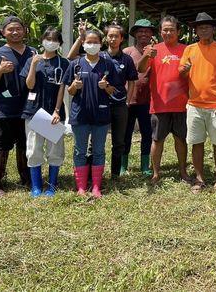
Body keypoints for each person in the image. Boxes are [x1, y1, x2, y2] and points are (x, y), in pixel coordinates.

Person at [68, 22, 138, 179]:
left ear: (122, 39)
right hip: (99, 104)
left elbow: (132, 80)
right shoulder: (100, 56)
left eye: (116, 36)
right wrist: (81, 37)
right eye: (110, 36)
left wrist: (129, 100)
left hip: (119, 103)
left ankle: (115, 173)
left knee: (119, 140)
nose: (113, 39)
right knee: (95, 142)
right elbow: (71, 57)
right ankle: (92, 173)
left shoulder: (126, 59)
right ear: (106, 39)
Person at [179, 12, 216, 193]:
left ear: (213, 29)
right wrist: (184, 70)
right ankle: (199, 179)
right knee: (197, 142)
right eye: (200, 27)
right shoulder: (189, 49)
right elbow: (181, 71)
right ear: (195, 30)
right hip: (194, 104)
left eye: (207, 26)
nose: (203, 29)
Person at [63, 29, 120, 197]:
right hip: (80, 114)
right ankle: (81, 186)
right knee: (79, 150)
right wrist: (74, 86)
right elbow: (70, 91)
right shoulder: (76, 64)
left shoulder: (107, 64)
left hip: (101, 114)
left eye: (95, 42)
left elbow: (114, 90)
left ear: (101, 44)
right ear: (83, 43)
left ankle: (96, 186)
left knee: (99, 150)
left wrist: (106, 87)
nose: (92, 45)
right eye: (89, 42)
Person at [0, 16, 35, 196]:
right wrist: (0, 70)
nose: (15, 32)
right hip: (5, 108)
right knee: (1, 145)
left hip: (28, 108)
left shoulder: (33, 53)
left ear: (24, 30)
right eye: (10, 29)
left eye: (18, 28)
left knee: (25, 143)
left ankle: (27, 178)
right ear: (3, 32)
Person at [137, 16, 190, 184]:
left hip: (182, 104)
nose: (168, 32)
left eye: (171, 30)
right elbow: (140, 68)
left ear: (178, 32)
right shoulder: (154, 49)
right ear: (160, 32)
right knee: (157, 139)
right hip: (160, 103)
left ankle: (183, 172)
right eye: (165, 30)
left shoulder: (187, 49)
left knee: (180, 139)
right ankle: (156, 173)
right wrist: (146, 56)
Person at [20, 27, 69, 197]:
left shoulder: (63, 63)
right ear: (42, 40)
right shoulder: (32, 60)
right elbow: (29, 85)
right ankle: (36, 186)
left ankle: (52, 185)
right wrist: (33, 65)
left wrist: (57, 111)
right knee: (34, 149)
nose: (51, 42)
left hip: (54, 113)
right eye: (48, 38)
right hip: (34, 112)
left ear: (59, 44)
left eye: (55, 40)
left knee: (55, 150)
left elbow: (62, 88)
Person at [123, 19, 157, 175]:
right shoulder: (127, 52)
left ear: (151, 34)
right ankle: (123, 165)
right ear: (135, 34)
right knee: (125, 133)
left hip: (148, 101)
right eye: (140, 31)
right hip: (128, 101)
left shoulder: (156, 52)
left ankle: (145, 165)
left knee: (147, 134)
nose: (144, 34)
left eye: (147, 31)